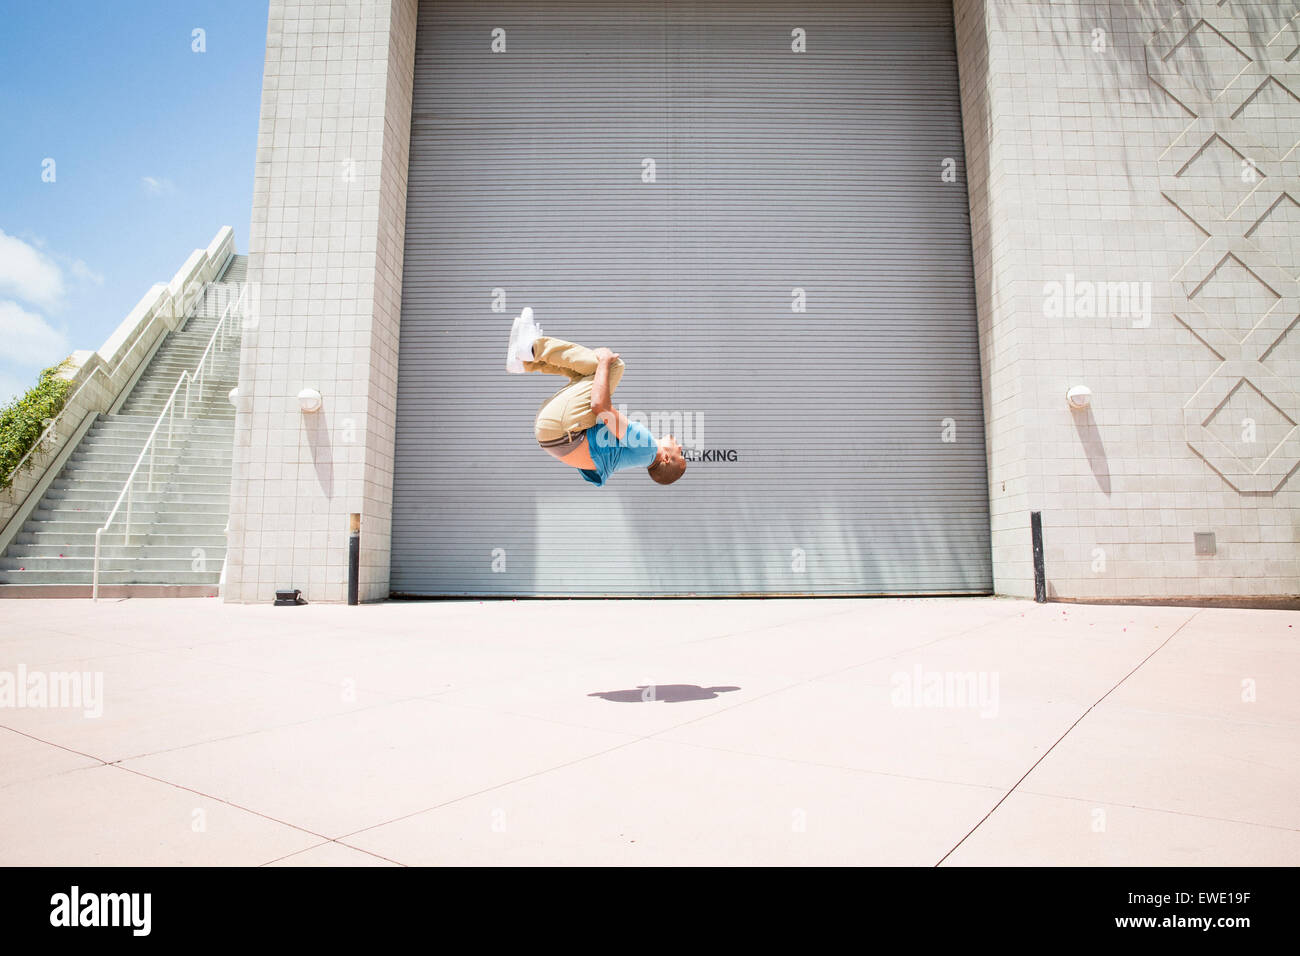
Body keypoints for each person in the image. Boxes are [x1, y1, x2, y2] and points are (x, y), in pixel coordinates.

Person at [506, 307, 687, 487]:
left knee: (614, 366)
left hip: (562, 429)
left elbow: (600, 406)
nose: (681, 448)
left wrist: (604, 362)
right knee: (588, 374)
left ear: (664, 457)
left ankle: (532, 349)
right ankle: (524, 362)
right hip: (552, 436)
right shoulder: (632, 457)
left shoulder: (648, 448)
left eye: (680, 454)